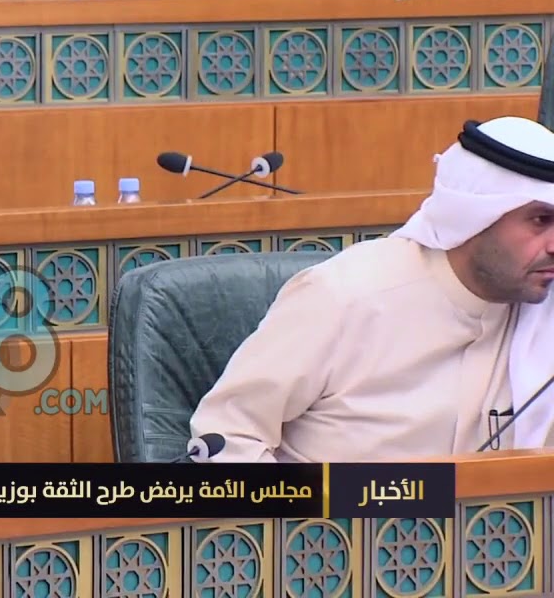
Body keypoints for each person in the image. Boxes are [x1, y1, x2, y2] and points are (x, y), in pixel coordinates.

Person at [191, 116, 554, 462]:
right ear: (474, 216)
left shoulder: (542, 314)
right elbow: (228, 437)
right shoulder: (343, 295)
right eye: (541, 220)